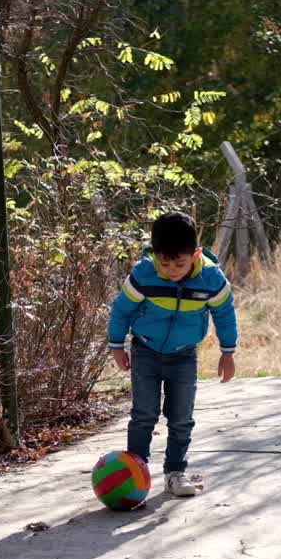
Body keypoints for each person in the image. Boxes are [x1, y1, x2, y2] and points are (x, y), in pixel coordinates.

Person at [107, 211, 237, 497]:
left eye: (180, 262)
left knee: (181, 417)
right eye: (164, 262)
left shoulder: (211, 280)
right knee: (144, 414)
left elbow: (225, 314)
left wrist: (228, 352)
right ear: (155, 254)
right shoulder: (144, 274)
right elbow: (122, 310)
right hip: (145, 351)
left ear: (196, 254)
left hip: (183, 356)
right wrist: (116, 345)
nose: (172, 269)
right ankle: (134, 474)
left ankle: (175, 473)